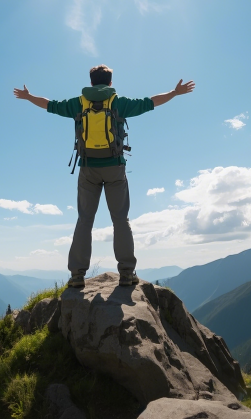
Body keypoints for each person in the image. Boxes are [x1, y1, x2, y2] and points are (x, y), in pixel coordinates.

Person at [13, 64, 195, 288]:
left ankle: (77, 276)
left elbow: (49, 105)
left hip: (88, 167)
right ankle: (127, 273)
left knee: (84, 221)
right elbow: (151, 102)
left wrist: (29, 96)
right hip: (115, 167)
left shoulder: (78, 103)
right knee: (120, 220)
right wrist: (175, 93)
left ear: (91, 82)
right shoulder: (118, 102)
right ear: (110, 82)